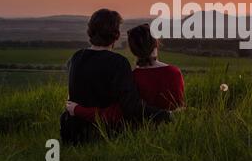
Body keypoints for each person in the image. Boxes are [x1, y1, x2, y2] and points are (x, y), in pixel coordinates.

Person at [60, 9, 171, 145]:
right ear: (116, 35)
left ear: (90, 31)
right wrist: (166, 115)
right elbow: (132, 107)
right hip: (103, 135)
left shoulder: (76, 57)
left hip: (71, 134)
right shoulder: (118, 63)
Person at [66, 24, 185, 125]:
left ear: (133, 50)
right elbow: (179, 110)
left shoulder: (130, 77)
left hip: (139, 137)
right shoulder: (174, 73)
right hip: (171, 130)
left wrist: (77, 109)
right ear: (156, 44)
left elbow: (116, 113)